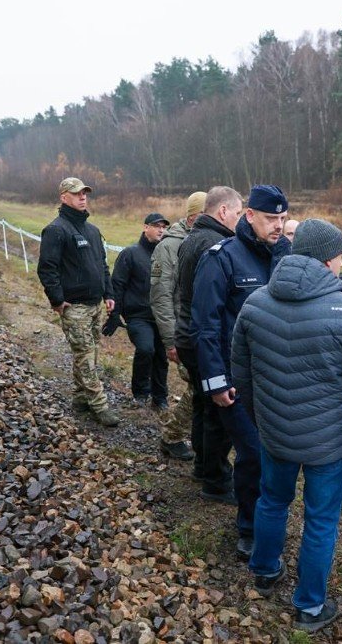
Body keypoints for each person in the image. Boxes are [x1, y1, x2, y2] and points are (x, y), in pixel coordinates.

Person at [231, 219, 342, 633]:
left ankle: (264, 570)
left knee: (271, 500)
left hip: (276, 435)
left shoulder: (256, 302)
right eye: (338, 257)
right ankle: (310, 607)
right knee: (321, 521)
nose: (340, 264)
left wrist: (261, 417)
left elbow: (241, 372)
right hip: (328, 446)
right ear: (327, 259)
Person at [191, 184, 292, 559]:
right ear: (249, 215)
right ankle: (248, 527)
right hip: (237, 381)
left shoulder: (285, 257)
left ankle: (269, 519)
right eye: (270, 218)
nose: (278, 225)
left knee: (277, 456)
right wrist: (216, 382)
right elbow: (205, 324)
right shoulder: (222, 258)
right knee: (253, 454)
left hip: (279, 380)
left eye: (282, 218)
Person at [175, 187, 242, 504]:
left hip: (189, 334)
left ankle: (203, 466)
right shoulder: (214, 245)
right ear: (224, 211)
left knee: (203, 406)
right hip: (203, 337)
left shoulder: (192, 237)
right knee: (219, 410)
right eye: (238, 213)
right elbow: (210, 304)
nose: (240, 220)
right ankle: (216, 479)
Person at [36, 177, 119, 426]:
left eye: (85, 193)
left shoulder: (92, 231)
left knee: (89, 355)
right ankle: (99, 405)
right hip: (74, 307)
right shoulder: (56, 230)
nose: (82, 197)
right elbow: (47, 269)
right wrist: (57, 300)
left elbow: (102, 266)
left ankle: (80, 397)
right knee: (85, 355)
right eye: (76, 194)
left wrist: (109, 294)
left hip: (95, 304)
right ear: (64, 197)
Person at [148, 192, 207, 461]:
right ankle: (172, 436)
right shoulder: (169, 247)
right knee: (198, 385)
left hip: (200, 329)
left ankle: (198, 436)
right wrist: (171, 341)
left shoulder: (204, 239)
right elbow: (161, 296)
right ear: (194, 216)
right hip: (182, 331)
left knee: (203, 387)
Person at [105, 213, 170, 410]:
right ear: (145, 227)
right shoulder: (130, 253)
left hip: (161, 316)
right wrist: (115, 314)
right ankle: (141, 392)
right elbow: (118, 284)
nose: (161, 230)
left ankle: (160, 398)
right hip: (137, 315)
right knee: (145, 349)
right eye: (156, 226)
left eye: (163, 227)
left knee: (161, 356)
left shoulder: (165, 255)